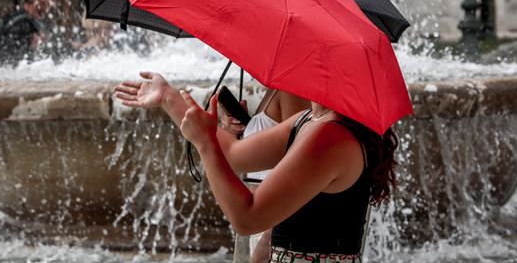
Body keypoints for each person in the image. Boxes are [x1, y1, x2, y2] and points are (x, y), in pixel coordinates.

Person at [114, 72, 399, 262]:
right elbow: (234, 153)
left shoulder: (329, 135)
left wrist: (204, 144)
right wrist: (168, 98)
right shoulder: (310, 120)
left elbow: (247, 218)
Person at [219, 88, 311, 262]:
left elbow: (299, 174)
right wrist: (237, 132)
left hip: (276, 229)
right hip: (264, 224)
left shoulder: (293, 92)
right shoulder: (277, 89)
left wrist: (268, 238)